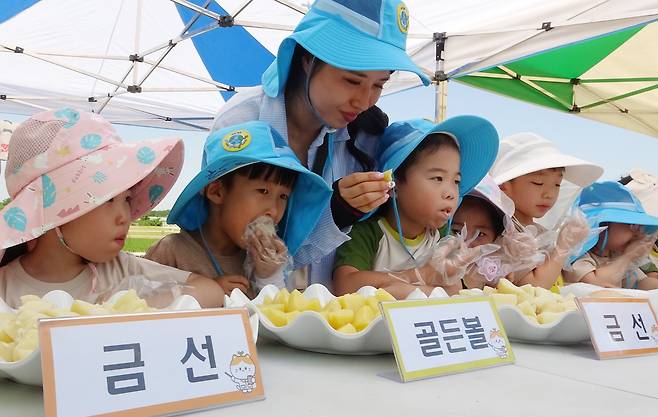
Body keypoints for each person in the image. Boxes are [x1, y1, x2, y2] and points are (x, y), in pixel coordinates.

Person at [212, 0, 431, 289]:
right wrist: (334, 211)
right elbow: (222, 243)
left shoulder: (364, 139)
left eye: (379, 84)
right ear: (308, 59)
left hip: (337, 325)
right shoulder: (242, 123)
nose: (364, 102)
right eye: (352, 80)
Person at [0, 109, 224, 308]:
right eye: (107, 199)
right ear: (53, 211)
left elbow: (210, 291)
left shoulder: (122, 269)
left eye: (126, 199)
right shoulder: (5, 287)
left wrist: (126, 310)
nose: (125, 217)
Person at [146, 121, 332, 296]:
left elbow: (276, 317)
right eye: (263, 190)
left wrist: (268, 277)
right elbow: (140, 306)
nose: (274, 211)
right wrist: (206, 291)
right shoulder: (171, 252)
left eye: (283, 196)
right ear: (217, 191)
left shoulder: (258, 261)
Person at [333, 116, 499, 298]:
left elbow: (454, 290)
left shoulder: (442, 235)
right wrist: (422, 275)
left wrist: (400, 289)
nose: (451, 192)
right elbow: (345, 284)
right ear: (393, 183)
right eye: (437, 178)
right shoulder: (368, 232)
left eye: (456, 181)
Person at [489, 132, 603, 290]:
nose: (549, 194)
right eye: (538, 182)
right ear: (504, 186)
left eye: (557, 184)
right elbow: (534, 288)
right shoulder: (504, 233)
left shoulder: (541, 233)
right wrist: (562, 248)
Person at [564, 181, 658, 290]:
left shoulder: (616, 255)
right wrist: (628, 256)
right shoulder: (577, 255)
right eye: (631, 225)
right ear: (603, 225)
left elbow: (642, 284)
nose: (637, 233)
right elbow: (597, 285)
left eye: (639, 227)